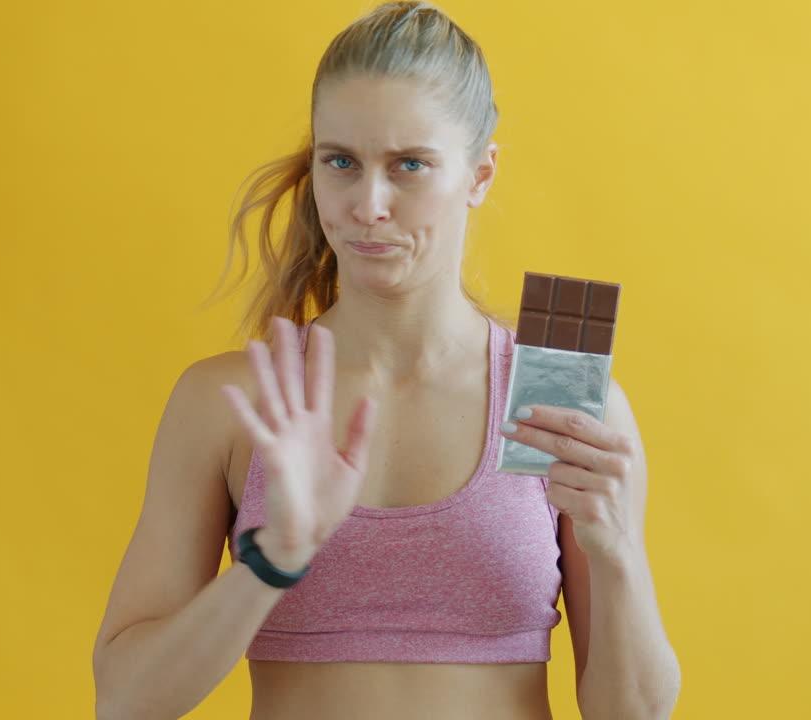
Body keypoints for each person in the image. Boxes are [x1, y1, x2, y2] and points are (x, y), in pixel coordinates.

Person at [91, 3, 680, 719]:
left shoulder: (558, 397)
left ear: (480, 174)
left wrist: (615, 549)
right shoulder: (233, 402)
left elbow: (635, 715)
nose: (369, 204)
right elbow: (126, 700)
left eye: (409, 166)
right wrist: (272, 558)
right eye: (341, 162)